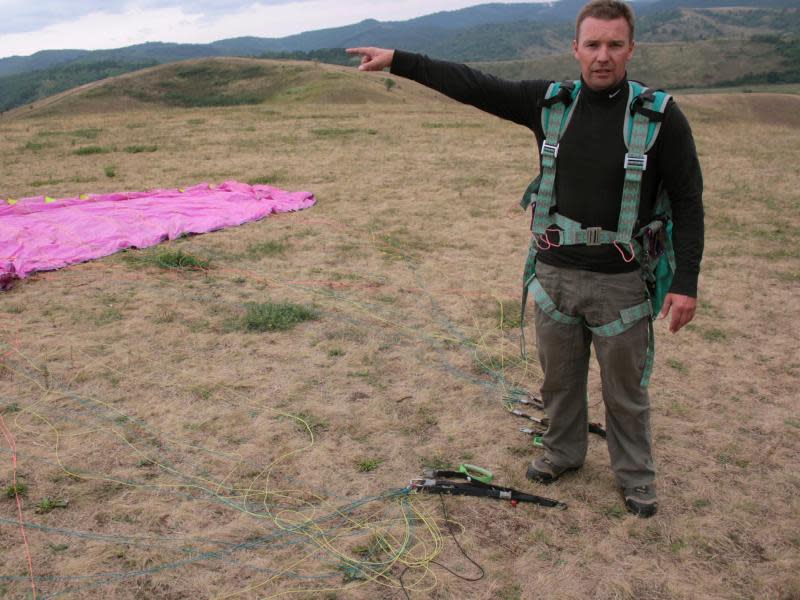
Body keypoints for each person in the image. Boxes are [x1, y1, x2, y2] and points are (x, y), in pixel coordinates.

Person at [347, 0, 703, 518]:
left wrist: (685, 280)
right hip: (554, 275)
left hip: (622, 282)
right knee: (558, 378)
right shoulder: (549, 104)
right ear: (575, 48)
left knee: (625, 391)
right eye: (593, 44)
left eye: (614, 45)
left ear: (631, 48)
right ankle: (563, 451)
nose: (603, 56)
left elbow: (689, 202)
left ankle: (635, 477)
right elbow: (473, 84)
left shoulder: (659, 116)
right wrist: (399, 59)